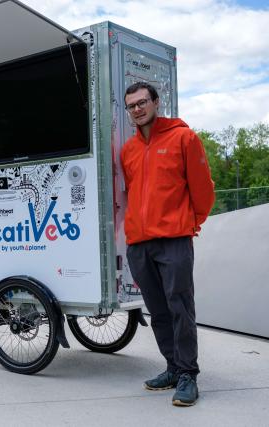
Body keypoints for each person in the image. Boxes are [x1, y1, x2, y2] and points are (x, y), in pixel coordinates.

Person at [120, 82, 215, 406]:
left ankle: (189, 374)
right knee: (159, 312)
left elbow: (203, 189)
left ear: (156, 103)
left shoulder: (183, 138)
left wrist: (190, 224)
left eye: (142, 102)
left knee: (180, 309)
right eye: (131, 105)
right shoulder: (128, 150)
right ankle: (173, 367)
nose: (137, 109)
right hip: (140, 244)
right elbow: (134, 191)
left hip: (174, 240)